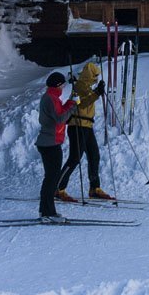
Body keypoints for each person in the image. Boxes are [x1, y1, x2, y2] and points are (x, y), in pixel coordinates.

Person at [56, 62, 114, 202]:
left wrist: (97, 92)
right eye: (94, 76)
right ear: (89, 75)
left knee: (94, 155)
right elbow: (82, 103)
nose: (95, 78)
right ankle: (57, 188)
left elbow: (90, 100)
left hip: (87, 126)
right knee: (75, 158)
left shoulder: (87, 87)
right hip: (77, 125)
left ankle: (95, 188)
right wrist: (96, 93)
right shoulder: (80, 87)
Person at [36, 71, 79, 223]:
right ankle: (48, 212)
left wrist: (71, 100)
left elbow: (60, 112)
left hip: (50, 142)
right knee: (51, 179)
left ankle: (45, 210)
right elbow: (61, 118)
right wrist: (73, 107)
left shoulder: (52, 97)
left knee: (50, 178)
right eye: (63, 85)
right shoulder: (50, 98)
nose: (63, 87)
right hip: (50, 143)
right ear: (58, 85)